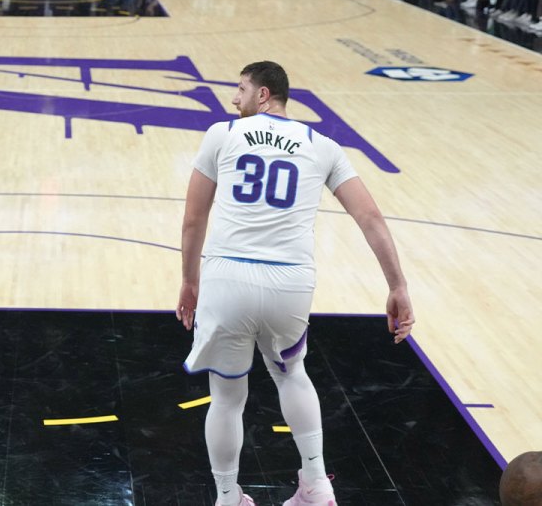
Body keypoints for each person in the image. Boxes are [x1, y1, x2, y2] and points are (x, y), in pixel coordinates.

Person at [176, 61, 415, 506]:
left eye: (240, 89)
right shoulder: (323, 145)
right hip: (290, 282)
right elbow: (370, 218)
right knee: (292, 375)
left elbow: (193, 219)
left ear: (263, 94)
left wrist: (190, 280)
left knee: (227, 399)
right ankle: (317, 485)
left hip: (228, 277)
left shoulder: (221, 135)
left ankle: (228, 497)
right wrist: (397, 285)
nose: (234, 98)